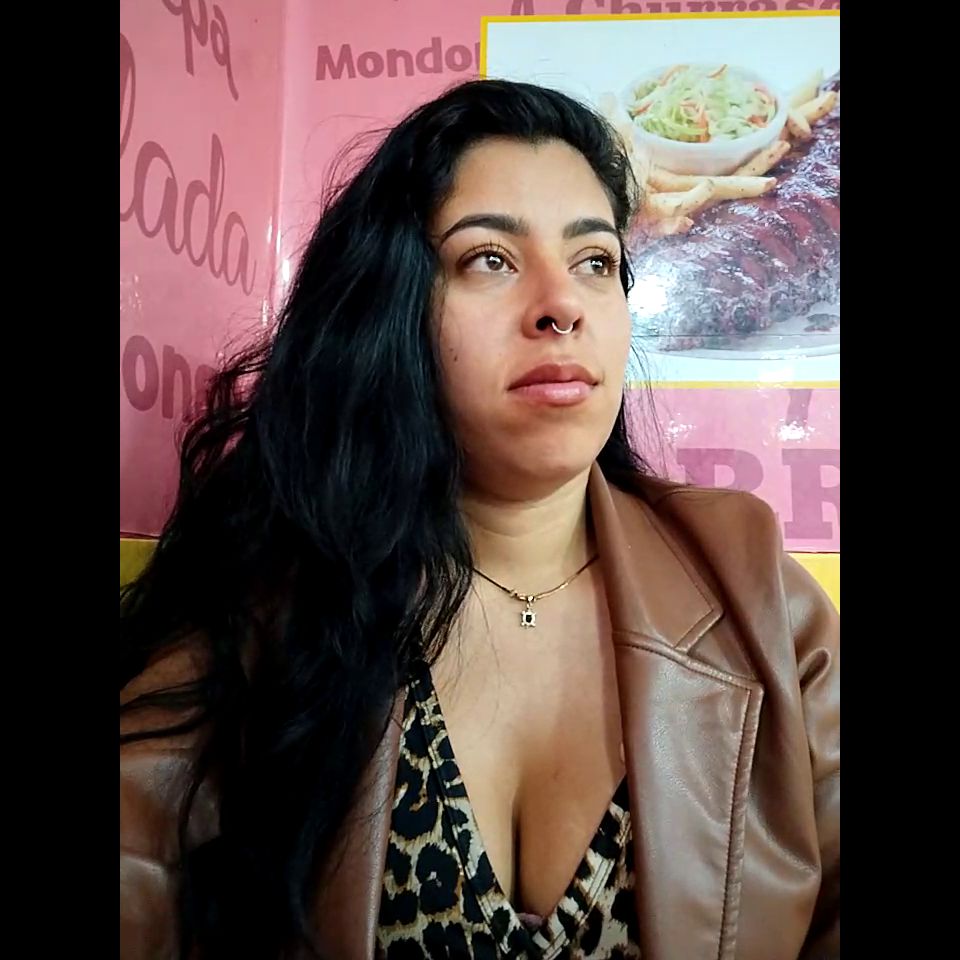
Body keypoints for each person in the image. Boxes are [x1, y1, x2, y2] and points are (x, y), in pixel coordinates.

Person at [120, 79, 839, 960]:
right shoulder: (267, 597)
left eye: (595, 261)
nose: (561, 305)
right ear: (392, 311)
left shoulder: (760, 597)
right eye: (490, 259)